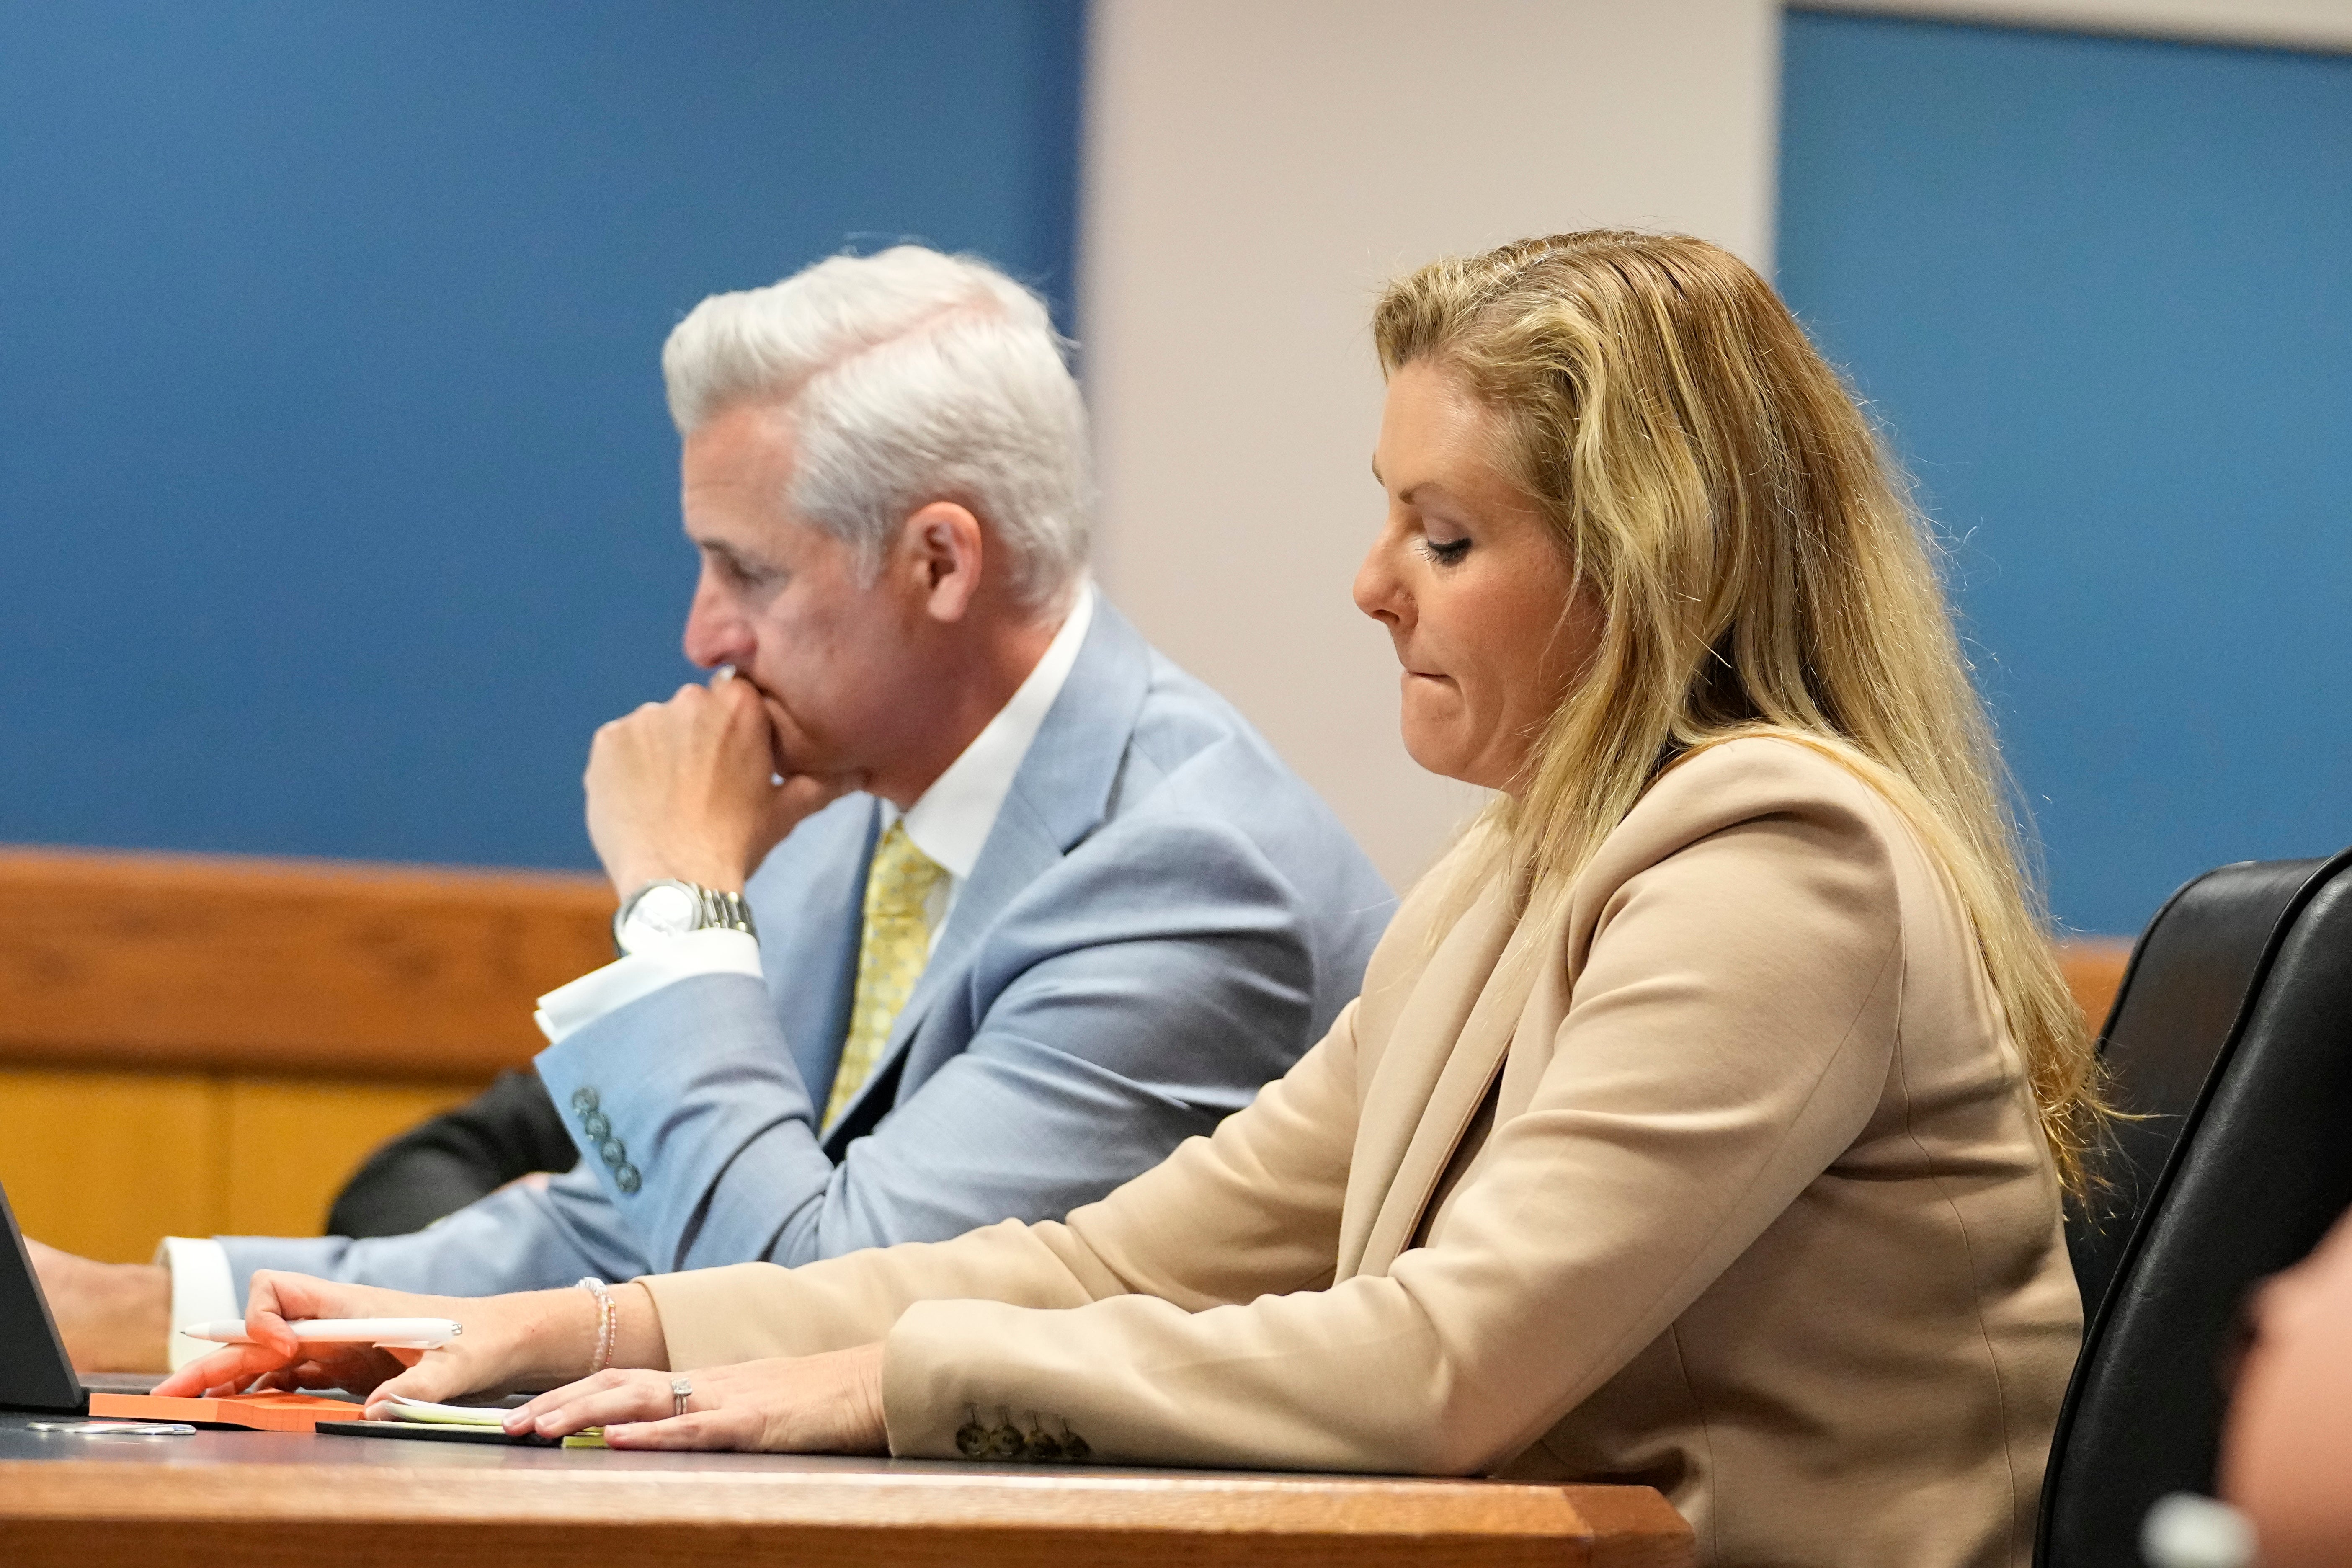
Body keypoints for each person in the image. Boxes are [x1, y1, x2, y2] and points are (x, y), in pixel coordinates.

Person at [164, 231, 2100, 1568]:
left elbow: (1435, 1367)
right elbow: (1115, 1258)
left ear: (1650, 566)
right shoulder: (1529, 867)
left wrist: (877, 1392)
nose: (1372, 585)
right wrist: (621, 1334)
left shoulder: (1782, 861)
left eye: (1445, 534)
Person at [33, 245, 1394, 1373]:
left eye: (749, 573)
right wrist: (140, 1301)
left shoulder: (1194, 877)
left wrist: (681, 905)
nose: (703, 636)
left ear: (938, 562)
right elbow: (616, 1242)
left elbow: (806, 1311)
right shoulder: (872, 806)